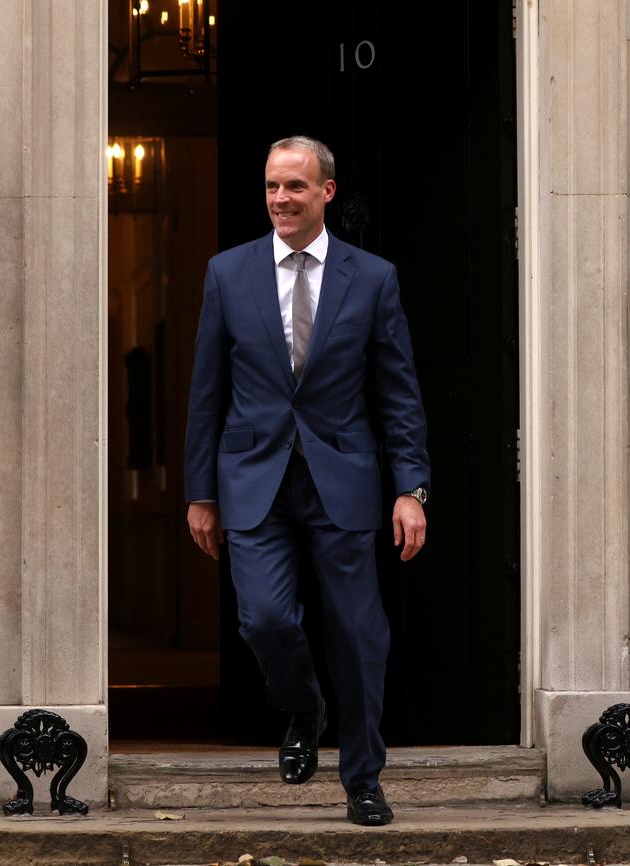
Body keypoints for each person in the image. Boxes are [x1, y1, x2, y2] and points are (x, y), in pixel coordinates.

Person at [185, 135, 429, 826]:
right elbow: (207, 392)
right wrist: (200, 493)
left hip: (343, 479)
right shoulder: (227, 274)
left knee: (358, 635)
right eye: (271, 187)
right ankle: (301, 703)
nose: (280, 200)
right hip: (252, 478)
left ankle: (363, 780)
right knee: (263, 617)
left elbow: (398, 393)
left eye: (294, 187)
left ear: (325, 191)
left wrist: (411, 487)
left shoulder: (373, 277)